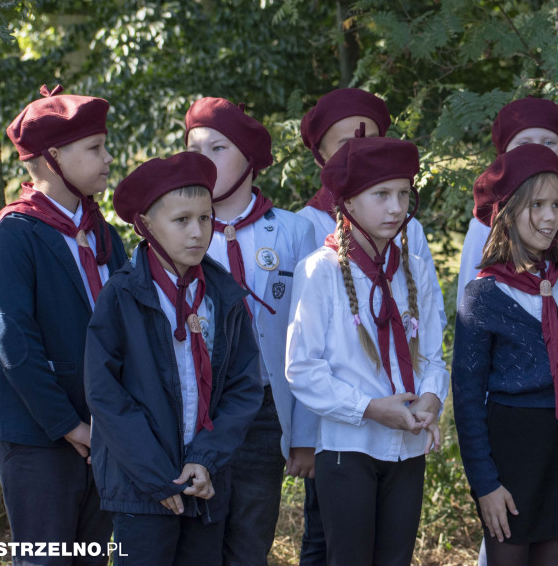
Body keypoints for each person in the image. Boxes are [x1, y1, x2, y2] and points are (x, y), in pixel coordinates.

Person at [84, 152, 263, 566]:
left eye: (205, 218)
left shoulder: (225, 296)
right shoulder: (122, 296)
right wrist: (155, 478)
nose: (198, 232)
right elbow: (105, 393)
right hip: (140, 490)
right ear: (146, 225)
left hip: (205, 484)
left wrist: (206, 459)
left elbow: (242, 387)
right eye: (181, 220)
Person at [294, 87, 446, 563]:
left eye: (403, 194)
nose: (396, 207)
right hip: (347, 448)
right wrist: (368, 408)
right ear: (347, 203)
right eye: (381, 195)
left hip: (408, 448)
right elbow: (303, 369)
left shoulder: (415, 267)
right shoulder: (320, 270)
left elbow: (434, 357)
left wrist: (432, 398)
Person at [0, 84, 126, 565]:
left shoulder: (103, 235)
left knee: (89, 558)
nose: (108, 157)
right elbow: (12, 341)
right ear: (52, 157)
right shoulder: (17, 234)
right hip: (39, 435)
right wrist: (69, 426)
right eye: (95, 148)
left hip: (102, 431)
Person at [452, 143, 558, 566]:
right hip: (511, 452)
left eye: (556, 205)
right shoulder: (483, 296)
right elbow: (467, 402)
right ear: (507, 212)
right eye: (536, 205)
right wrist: (485, 483)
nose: (548, 217)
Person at [184, 97, 319, 566]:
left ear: (249, 159)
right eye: (193, 146)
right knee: (199, 535)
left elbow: (307, 337)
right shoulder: (179, 229)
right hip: (198, 407)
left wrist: (303, 433)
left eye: (217, 147)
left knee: (250, 535)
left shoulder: (292, 231)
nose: (203, 158)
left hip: (265, 410)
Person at [454, 97, 558, 303]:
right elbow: (469, 303)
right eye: (524, 143)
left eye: (549, 142)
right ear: (504, 154)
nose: (539, 151)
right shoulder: (486, 227)